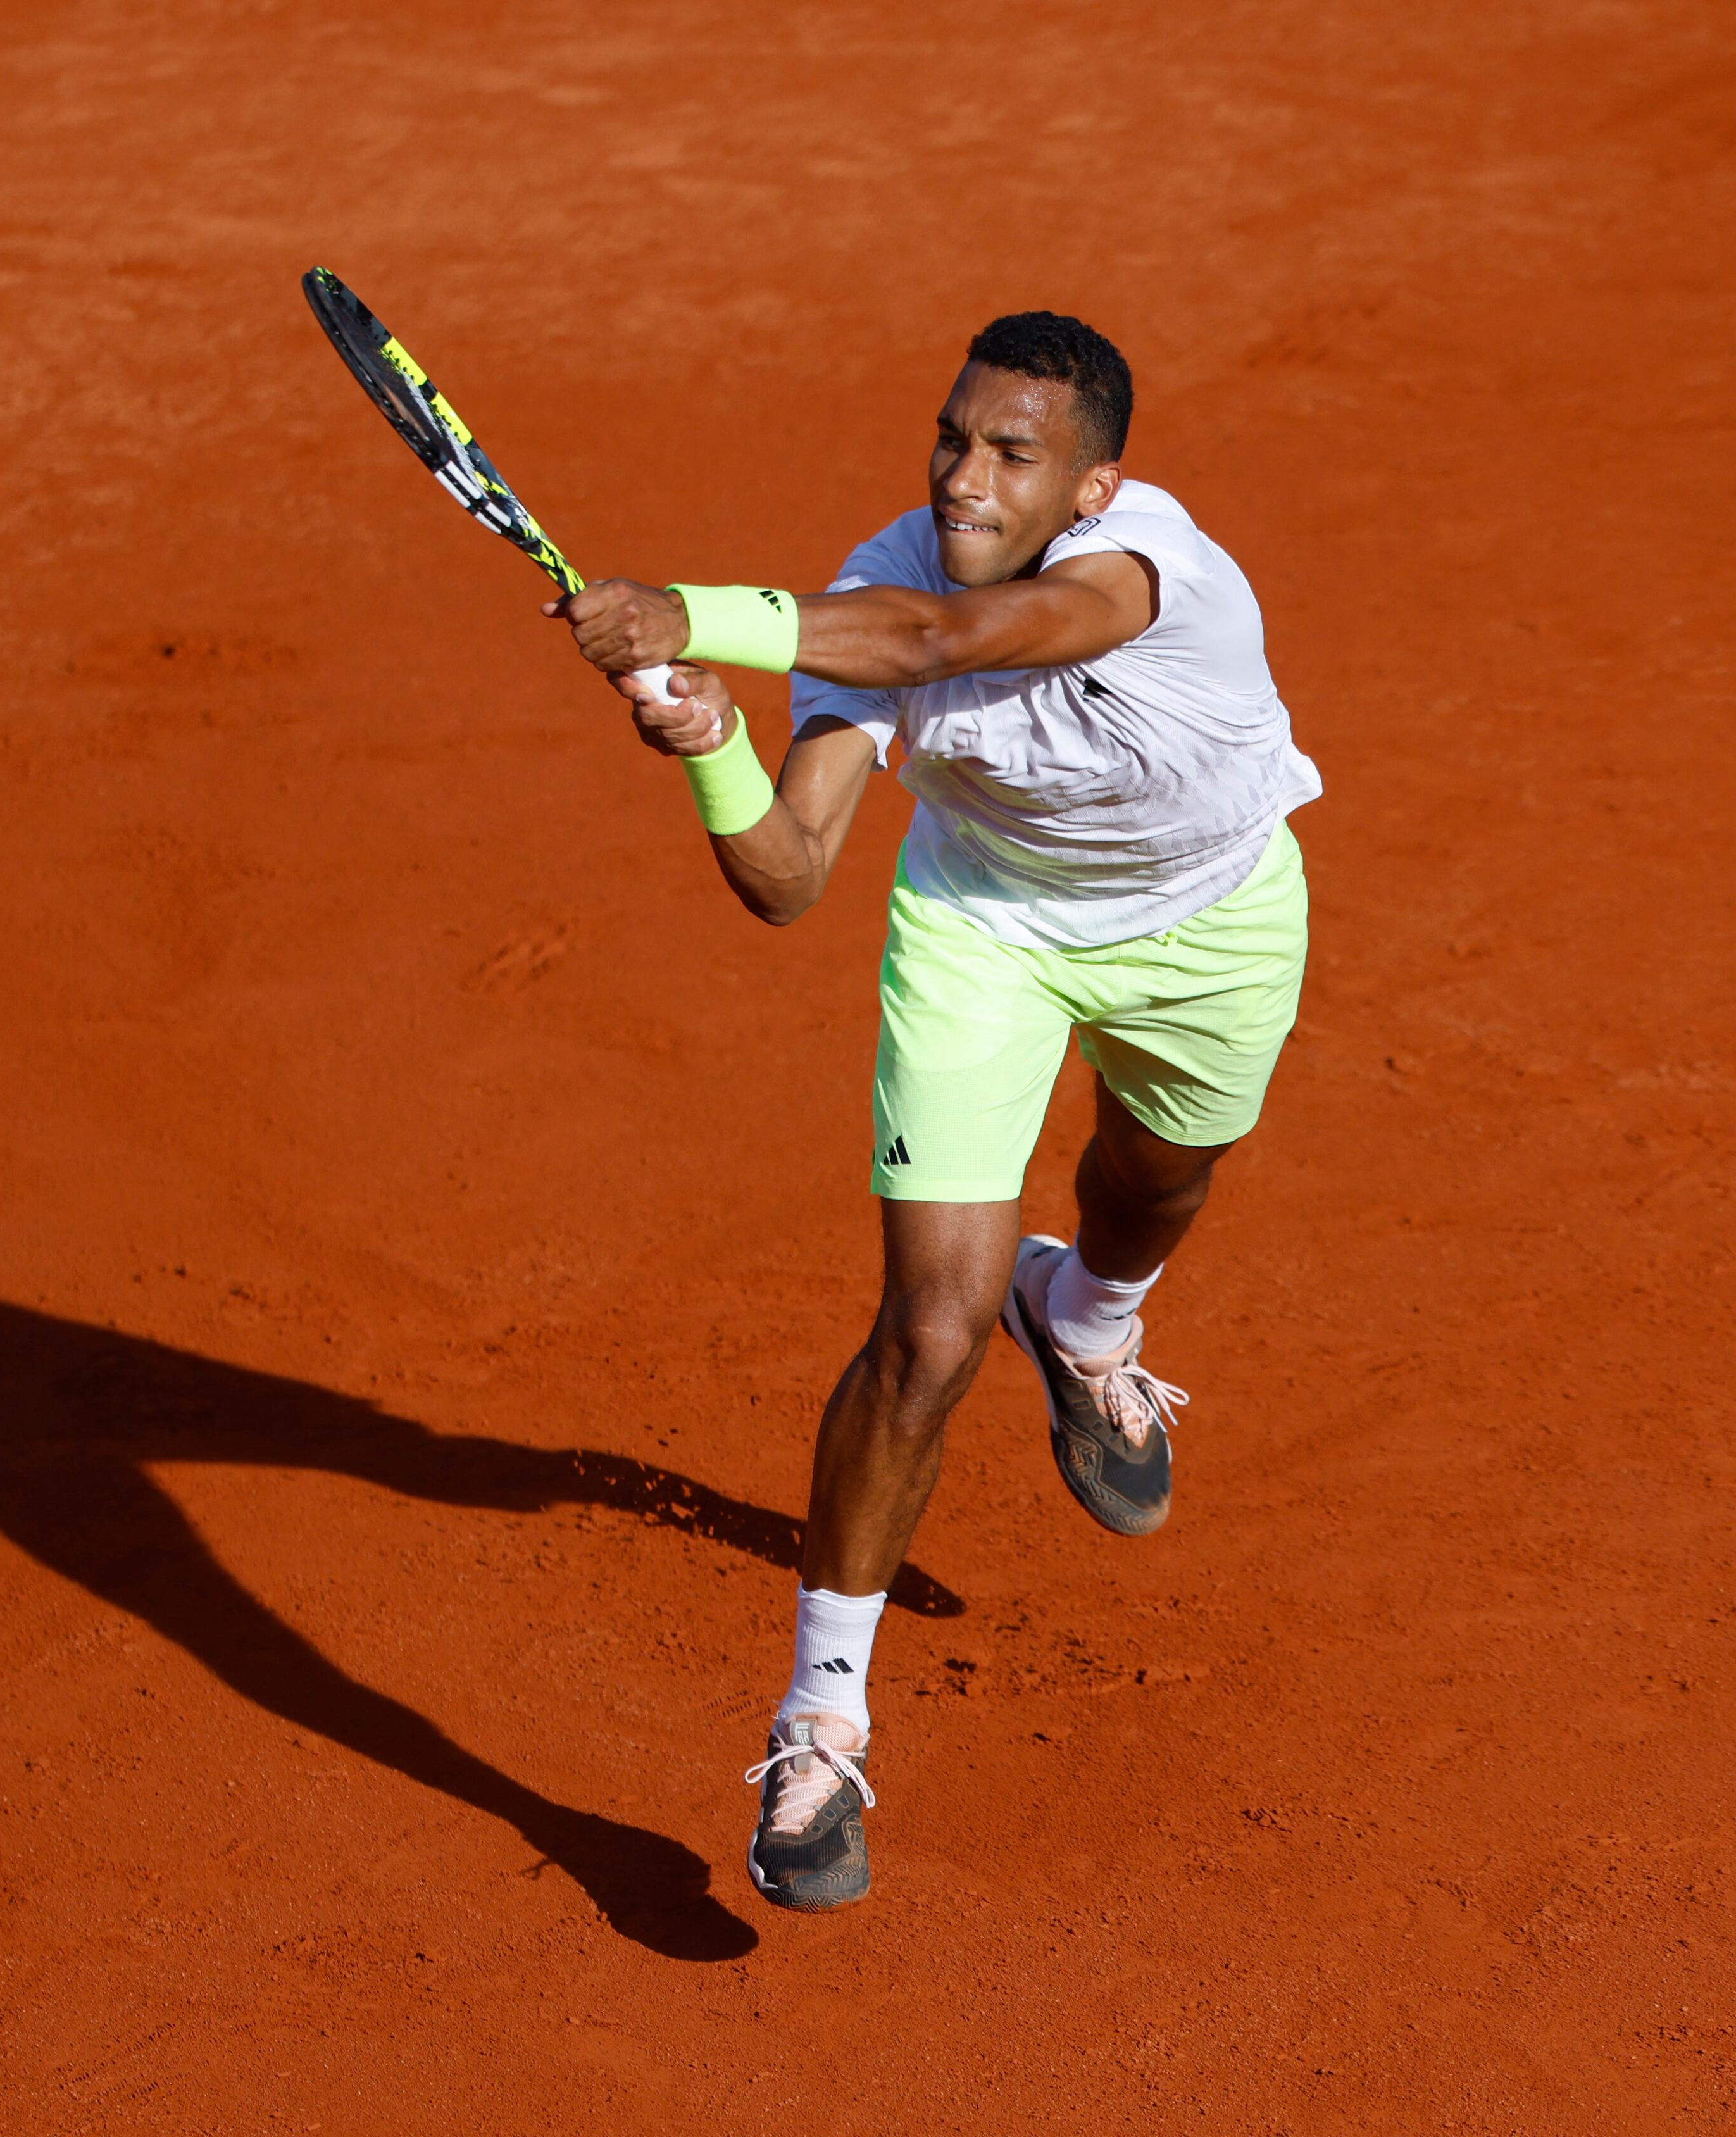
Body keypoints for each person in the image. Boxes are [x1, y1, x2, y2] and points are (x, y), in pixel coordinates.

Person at [551, 312, 1320, 1912]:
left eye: (1012, 453)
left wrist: (694, 611)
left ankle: (1090, 1318)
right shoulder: (876, 580)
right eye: (953, 437)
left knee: (1154, 1185)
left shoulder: (1144, 572)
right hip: (987, 930)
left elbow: (938, 644)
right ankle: (819, 1722)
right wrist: (708, 748)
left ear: (1093, 486)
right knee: (928, 1329)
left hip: (1214, 915)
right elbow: (786, 879)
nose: (965, 476)